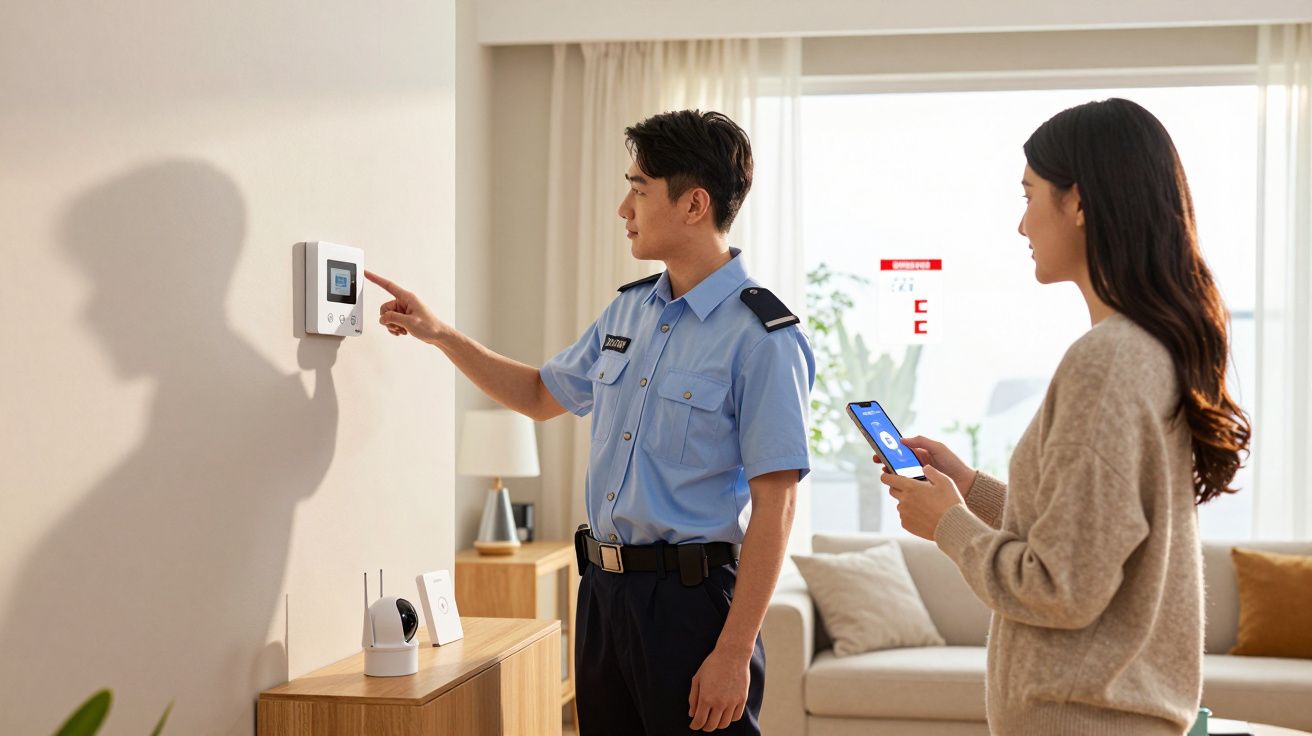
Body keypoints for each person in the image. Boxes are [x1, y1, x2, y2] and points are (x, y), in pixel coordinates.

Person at [366, 109, 814, 735]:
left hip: (693, 608)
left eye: (638, 189)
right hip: (604, 597)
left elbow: (778, 505)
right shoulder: (625, 312)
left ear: (693, 205)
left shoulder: (762, 337)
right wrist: (439, 334)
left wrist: (734, 651)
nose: (622, 208)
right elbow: (537, 394)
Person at [881, 98, 1251, 735]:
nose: (1021, 225)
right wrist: (971, 490)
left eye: (1028, 195)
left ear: (1077, 203)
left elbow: (1058, 586)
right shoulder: (1148, 350)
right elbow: (1094, 537)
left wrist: (948, 525)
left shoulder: (1107, 362)